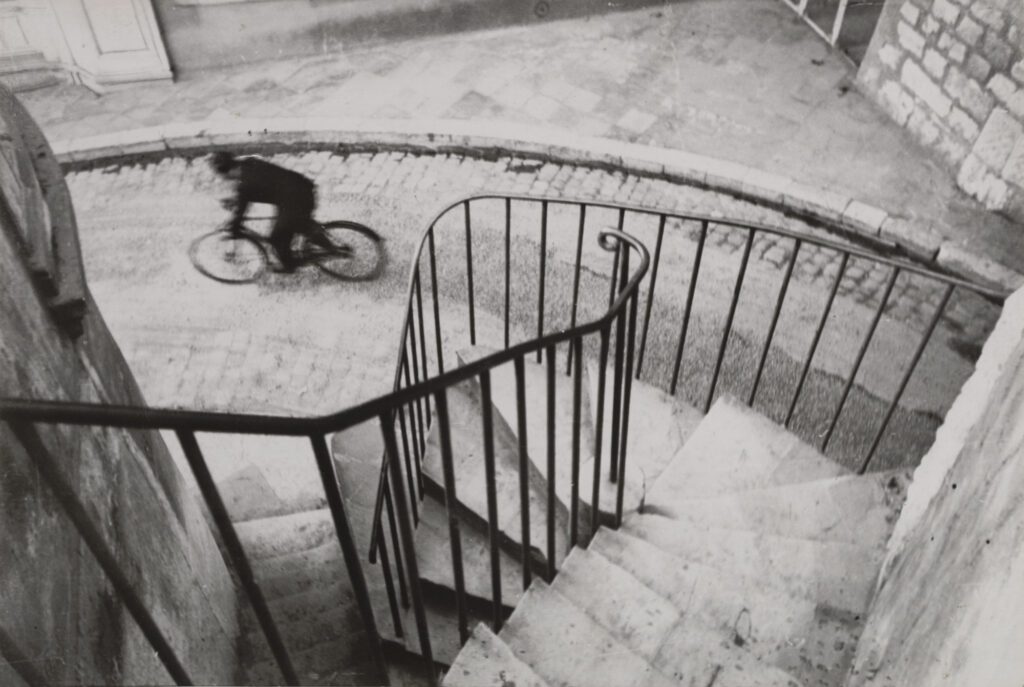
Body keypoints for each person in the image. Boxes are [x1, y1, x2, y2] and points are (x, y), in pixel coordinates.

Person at [210, 151, 318, 272]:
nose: (224, 179)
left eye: (221, 175)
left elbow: (241, 211)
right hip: (301, 187)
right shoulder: (249, 163)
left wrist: (233, 226)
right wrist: (236, 201)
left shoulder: (244, 185)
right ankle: (326, 242)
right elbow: (262, 185)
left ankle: (289, 266)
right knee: (298, 225)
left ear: (226, 172)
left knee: (277, 237)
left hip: (295, 198)